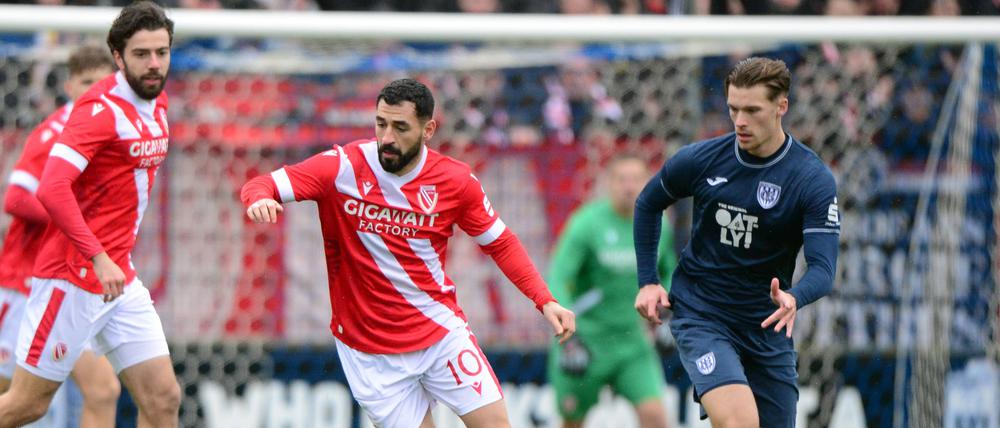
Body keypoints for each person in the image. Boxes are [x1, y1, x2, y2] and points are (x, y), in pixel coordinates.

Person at [241, 78, 576, 427]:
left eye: (400, 127)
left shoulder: (455, 181)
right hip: (370, 352)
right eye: (380, 124)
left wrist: (544, 299)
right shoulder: (342, 167)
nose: (387, 137)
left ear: (428, 129)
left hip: (439, 332)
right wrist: (259, 199)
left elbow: (500, 242)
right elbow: (261, 184)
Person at [632, 57, 839, 428]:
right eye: (733, 109)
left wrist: (795, 297)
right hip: (702, 314)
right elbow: (648, 203)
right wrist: (648, 280)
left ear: (781, 106)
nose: (740, 121)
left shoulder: (810, 179)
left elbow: (823, 268)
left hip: (766, 325)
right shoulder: (702, 160)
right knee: (740, 423)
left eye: (752, 110)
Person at [0, 2, 181, 426]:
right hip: (72, 276)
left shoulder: (157, 102)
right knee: (26, 404)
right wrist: (98, 255)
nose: (154, 64)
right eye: (141, 54)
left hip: (119, 279)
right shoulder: (99, 111)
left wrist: (109, 258)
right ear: (118, 57)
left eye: (162, 52)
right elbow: (50, 188)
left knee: (163, 399)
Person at [0, 44, 121, 428]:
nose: (95, 91)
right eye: (87, 83)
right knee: (16, 400)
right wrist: (77, 226)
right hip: (26, 284)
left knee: (103, 391)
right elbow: (16, 197)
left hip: (71, 284)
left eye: (103, 83)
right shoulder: (54, 132)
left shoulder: (114, 132)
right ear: (69, 87)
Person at [546, 153, 674, 428]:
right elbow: (559, 276)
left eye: (636, 179)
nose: (629, 186)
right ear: (608, 183)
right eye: (622, 179)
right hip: (586, 340)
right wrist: (567, 333)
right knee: (573, 422)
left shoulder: (659, 225)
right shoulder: (586, 223)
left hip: (632, 343)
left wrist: (672, 316)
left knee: (655, 416)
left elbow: (671, 272)